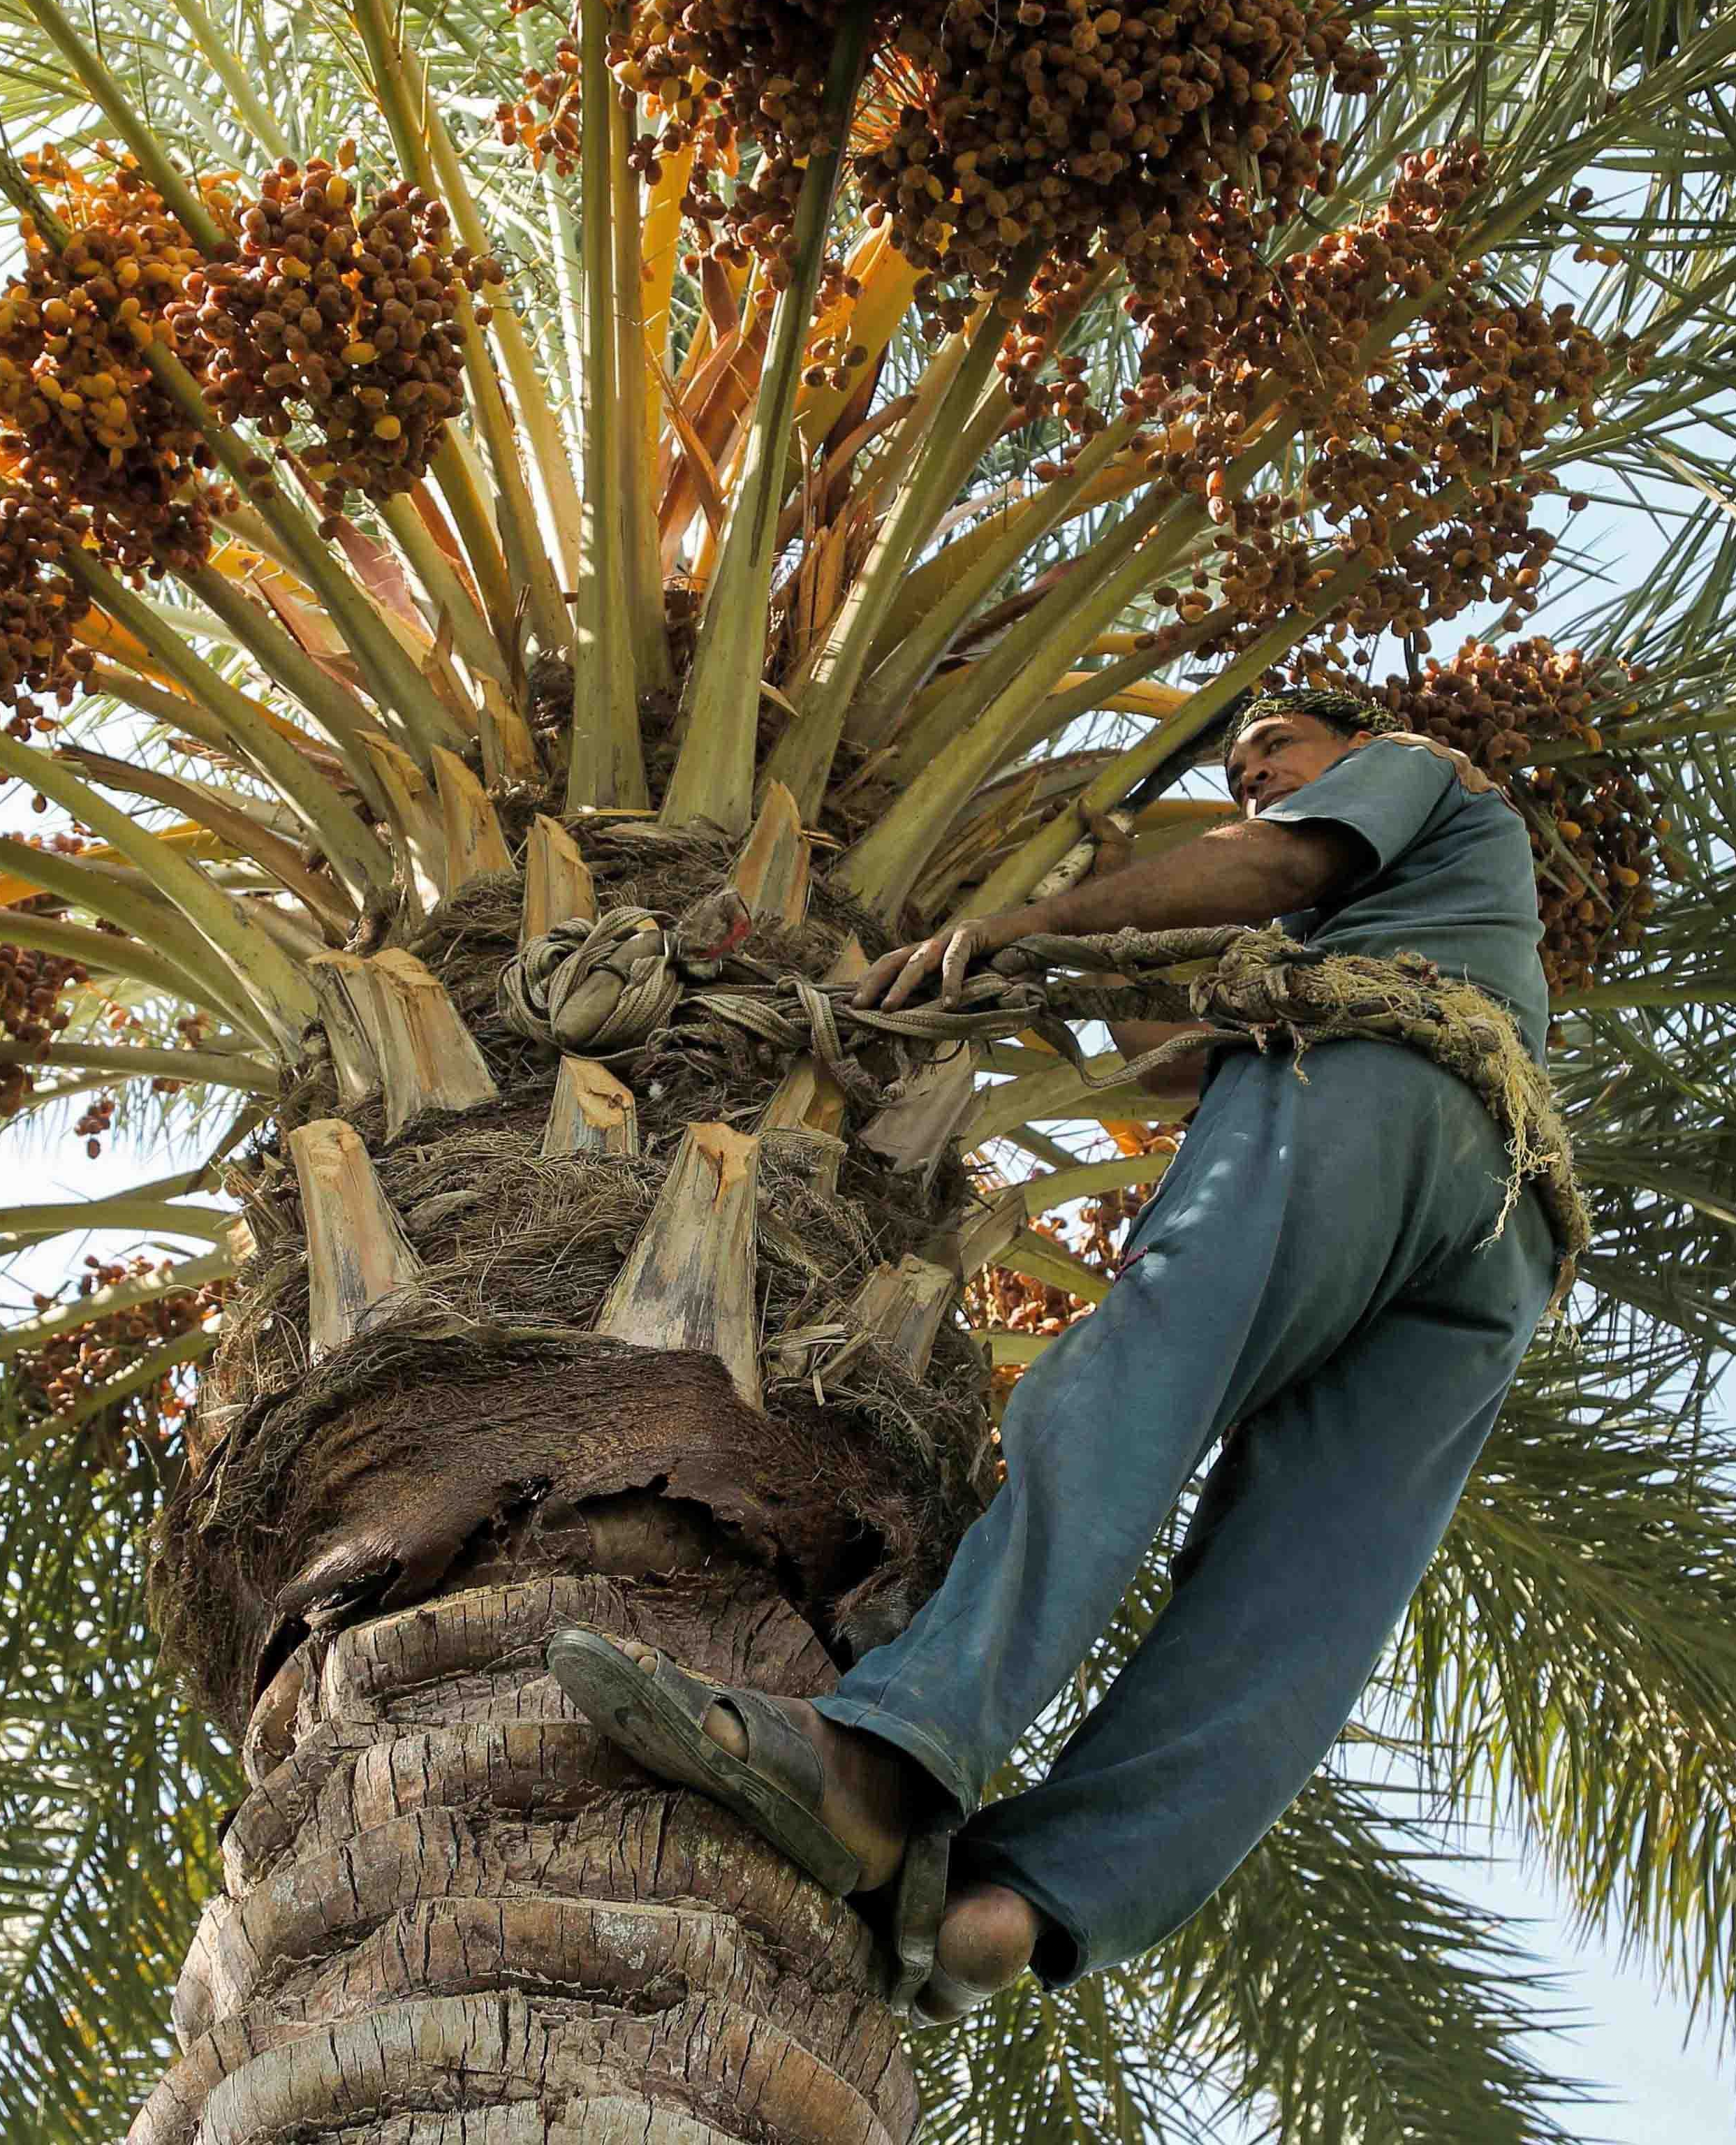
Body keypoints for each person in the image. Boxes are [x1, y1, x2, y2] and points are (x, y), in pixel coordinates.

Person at [547, 685, 1561, 2021]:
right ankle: (1025, 1901)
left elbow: (1274, 864)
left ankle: (885, 1766)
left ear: (1354, 748)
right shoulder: (1366, 945)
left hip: (1375, 1090)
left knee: (1127, 1390)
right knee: (1305, 1594)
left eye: (1277, 750)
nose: (1256, 779)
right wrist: (1100, 914)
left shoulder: (1418, 769)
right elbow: (1162, 1063)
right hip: (1506, 1235)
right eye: (1242, 771)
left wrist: (1016, 926)